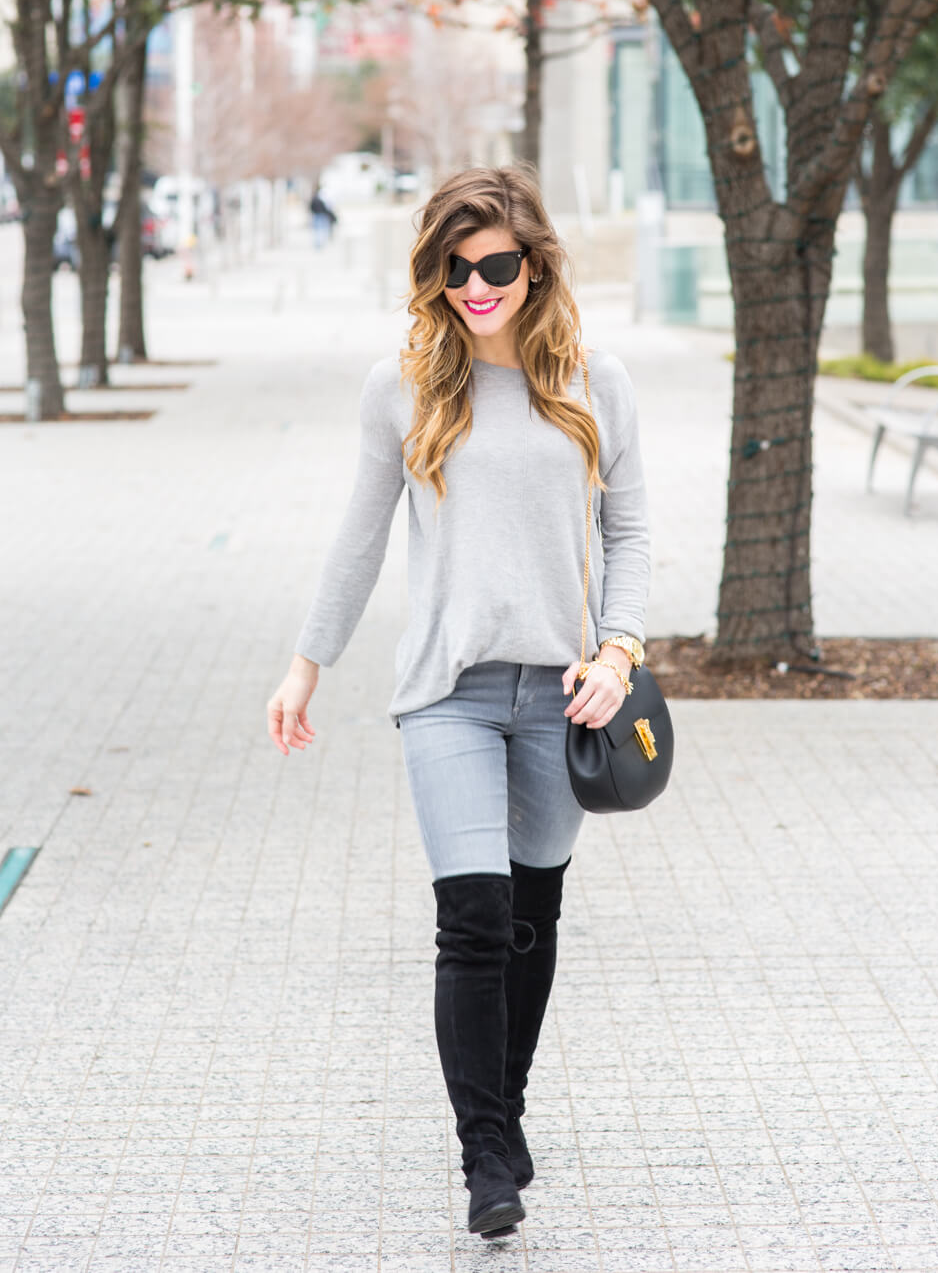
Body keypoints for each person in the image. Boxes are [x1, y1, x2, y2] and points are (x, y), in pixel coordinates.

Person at [267, 164, 649, 1239]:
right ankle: (484, 1156)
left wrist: (617, 653)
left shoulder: (592, 379)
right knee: (472, 921)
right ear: (432, 273)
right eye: (454, 267)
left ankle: (506, 1113)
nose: (475, 285)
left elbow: (630, 534)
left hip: (566, 695)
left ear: (534, 266)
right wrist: (307, 664)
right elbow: (358, 537)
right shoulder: (402, 389)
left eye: (494, 266)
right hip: (446, 696)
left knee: (532, 919)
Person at [309, 183, 337, 248]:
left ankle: (319, 243)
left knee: (318, 230)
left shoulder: (316, 197)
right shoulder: (323, 198)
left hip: (317, 215)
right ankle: (320, 243)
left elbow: (311, 207)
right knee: (321, 230)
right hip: (321, 215)